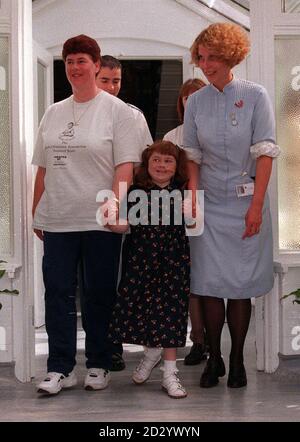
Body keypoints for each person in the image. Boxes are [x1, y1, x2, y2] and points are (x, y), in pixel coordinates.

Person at [32, 34, 142, 395]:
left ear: (97, 65)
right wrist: (37, 211)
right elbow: (43, 168)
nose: (76, 68)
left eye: (82, 61)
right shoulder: (53, 112)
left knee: (98, 294)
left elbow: (125, 167)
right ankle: (60, 368)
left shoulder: (119, 112)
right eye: (70, 61)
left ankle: (98, 363)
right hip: (59, 219)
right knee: (58, 293)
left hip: (100, 221)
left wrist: (113, 205)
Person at [184, 23, 280, 388]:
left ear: (231, 56)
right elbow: (191, 155)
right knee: (208, 284)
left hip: (246, 203)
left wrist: (256, 206)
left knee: (239, 285)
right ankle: (215, 359)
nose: (206, 65)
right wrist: (193, 194)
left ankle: (238, 358)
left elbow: (265, 153)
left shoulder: (256, 96)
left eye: (214, 58)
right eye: (202, 58)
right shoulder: (196, 101)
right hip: (209, 202)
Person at [106, 140, 194, 399]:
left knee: (171, 312)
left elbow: (194, 222)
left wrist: (190, 212)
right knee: (142, 309)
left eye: (168, 161)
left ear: (177, 166)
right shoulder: (136, 191)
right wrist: (109, 220)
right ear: (147, 163)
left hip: (174, 261)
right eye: (156, 159)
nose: (162, 165)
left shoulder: (184, 190)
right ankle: (151, 352)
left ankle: (169, 372)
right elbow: (124, 227)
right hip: (140, 261)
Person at [95, 55, 153, 372]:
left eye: (116, 80)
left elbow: (144, 164)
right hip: (88, 207)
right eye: (106, 80)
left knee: (122, 280)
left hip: (125, 209)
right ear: (93, 77)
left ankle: (116, 346)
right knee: (95, 282)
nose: (112, 86)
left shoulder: (133, 115)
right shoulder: (80, 113)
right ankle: (100, 347)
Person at [164, 78, 209, 366]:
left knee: (210, 278)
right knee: (188, 280)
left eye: (197, 96)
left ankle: (211, 340)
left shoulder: (216, 133)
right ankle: (197, 340)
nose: (191, 102)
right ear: (181, 103)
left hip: (216, 209)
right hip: (182, 212)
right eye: (186, 98)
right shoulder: (173, 136)